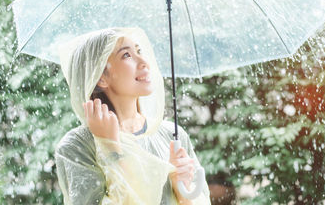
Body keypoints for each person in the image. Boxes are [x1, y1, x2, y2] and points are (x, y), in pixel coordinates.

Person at [54, 27, 211, 204]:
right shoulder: (78, 146)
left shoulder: (172, 136)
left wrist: (183, 190)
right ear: (100, 77)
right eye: (126, 55)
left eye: (139, 51)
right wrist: (111, 148)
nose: (144, 62)